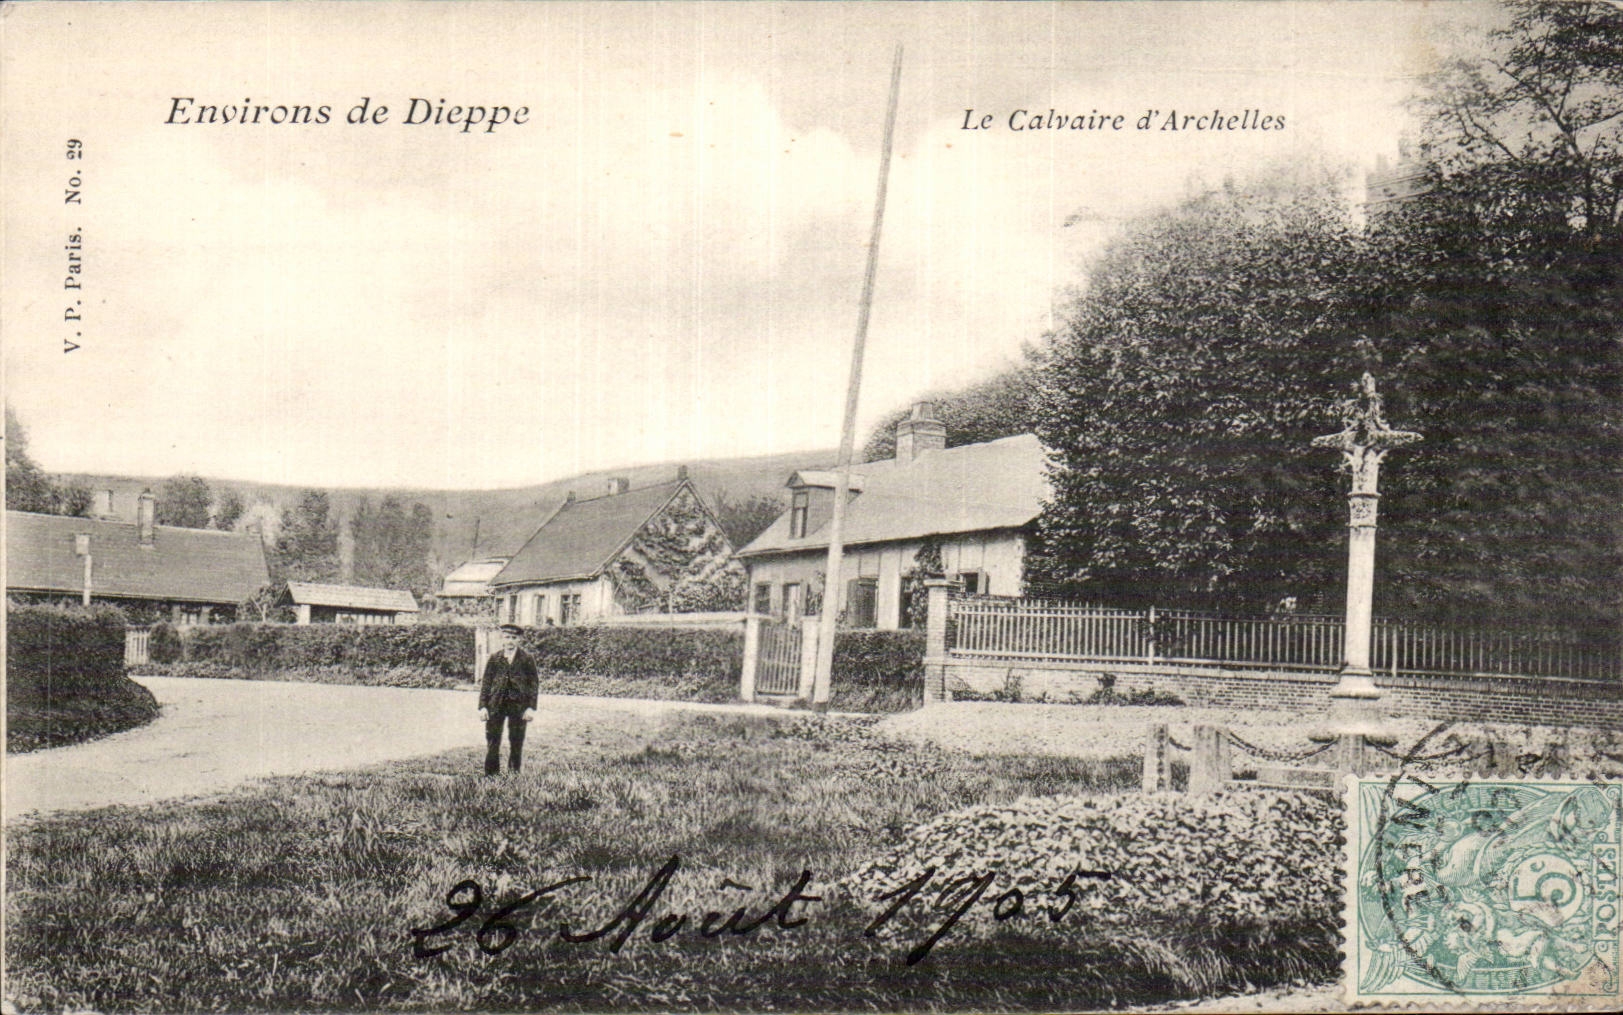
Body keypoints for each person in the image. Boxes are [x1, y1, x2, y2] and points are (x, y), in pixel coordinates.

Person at [479, 624, 538, 775]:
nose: (510, 641)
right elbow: (486, 682)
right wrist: (483, 706)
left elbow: (533, 684)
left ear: (519, 639)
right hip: (496, 703)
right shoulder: (495, 658)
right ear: (502, 639)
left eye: (513, 638)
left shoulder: (526, 659)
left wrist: (530, 707)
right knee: (493, 739)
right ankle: (491, 773)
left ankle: (514, 772)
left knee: (516, 739)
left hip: (518, 705)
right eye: (507, 637)